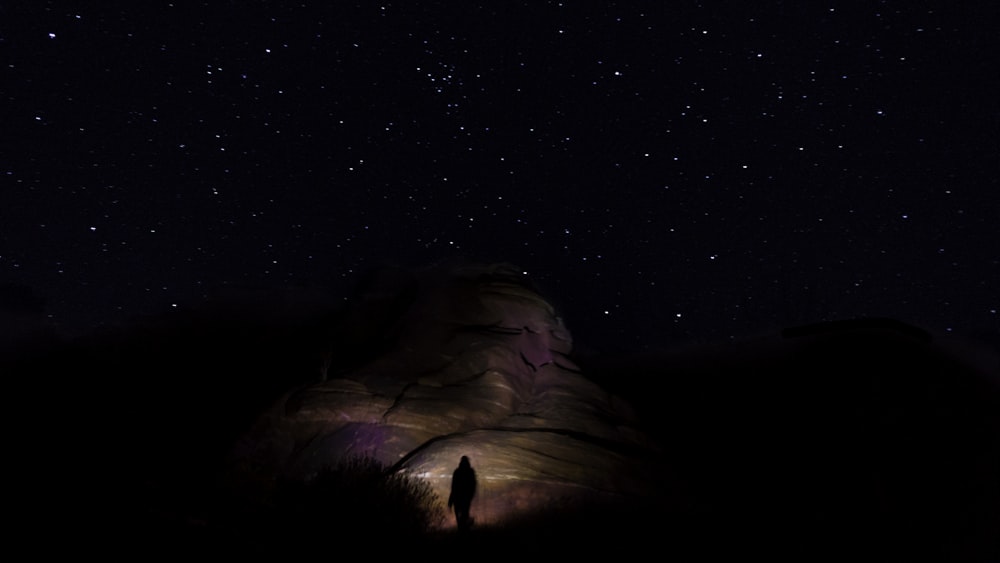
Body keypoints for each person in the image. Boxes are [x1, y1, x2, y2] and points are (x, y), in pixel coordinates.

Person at [448, 455, 477, 531]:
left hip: (459, 498)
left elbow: (453, 487)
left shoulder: (457, 472)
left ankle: (463, 531)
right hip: (463, 498)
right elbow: (473, 485)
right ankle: (465, 530)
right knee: (463, 515)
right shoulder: (470, 472)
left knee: (461, 516)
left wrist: (450, 501)